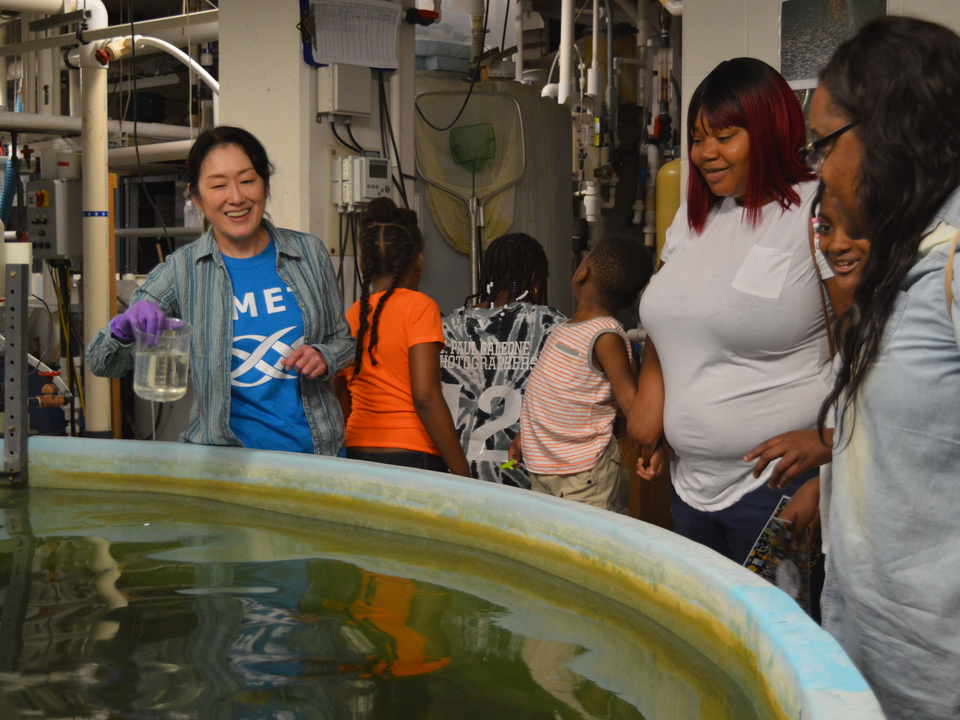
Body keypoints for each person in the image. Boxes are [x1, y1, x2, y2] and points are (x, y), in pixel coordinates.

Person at [808, 17, 960, 719]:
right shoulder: (906, 266)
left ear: (893, 126)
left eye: (824, 144)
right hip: (873, 662)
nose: (819, 170)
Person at [630, 58, 831, 564]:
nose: (706, 154)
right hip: (690, 490)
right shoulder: (694, 220)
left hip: (778, 492)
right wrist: (652, 423)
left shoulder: (817, 212)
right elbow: (668, 322)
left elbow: (867, 341)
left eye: (725, 136)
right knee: (706, 638)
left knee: (776, 634)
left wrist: (831, 450)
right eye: (698, 139)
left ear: (767, 132)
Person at [86, 126, 353, 454]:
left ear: (265, 185)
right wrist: (124, 326)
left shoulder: (308, 253)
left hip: (315, 455)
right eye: (218, 185)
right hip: (225, 464)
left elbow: (344, 342)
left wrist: (324, 356)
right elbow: (102, 363)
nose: (236, 197)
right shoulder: (182, 270)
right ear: (196, 196)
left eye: (247, 180)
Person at [509, 236, 652, 510]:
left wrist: (649, 446)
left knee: (585, 547)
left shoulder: (606, 335)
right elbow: (545, 396)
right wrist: (524, 436)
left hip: (584, 474)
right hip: (545, 467)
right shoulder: (564, 329)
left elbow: (629, 398)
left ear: (582, 272)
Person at [337, 197, 470, 476]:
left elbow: (341, 398)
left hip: (356, 450)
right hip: (412, 455)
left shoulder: (352, 315)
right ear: (418, 262)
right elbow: (425, 396)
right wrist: (462, 473)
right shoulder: (419, 307)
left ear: (364, 264)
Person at [440, 233, 566, 488]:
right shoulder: (552, 325)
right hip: (521, 471)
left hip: (457, 471)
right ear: (534, 277)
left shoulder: (447, 327)